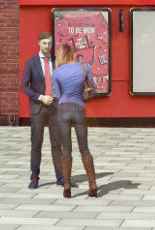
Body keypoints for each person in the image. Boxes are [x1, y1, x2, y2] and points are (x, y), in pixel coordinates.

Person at [51, 42, 100, 197]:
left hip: (63, 110)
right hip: (79, 109)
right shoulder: (84, 66)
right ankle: (92, 183)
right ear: (72, 53)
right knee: (84, 148)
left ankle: (66, 185)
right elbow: (93, 87)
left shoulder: (57, 72)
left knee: (66, 148)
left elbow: (58, 95)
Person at [21, 33, 64, 190]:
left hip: (55, 107)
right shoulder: (31, 63)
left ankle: (61, 178)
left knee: (57, 144)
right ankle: (34, 177)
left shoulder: (57, 62)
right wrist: (40, 97)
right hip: (38, 107)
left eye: (49, 43)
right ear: (39, 43)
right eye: (44, 43)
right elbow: (24, 86)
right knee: (36, 144)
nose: (47, 46)